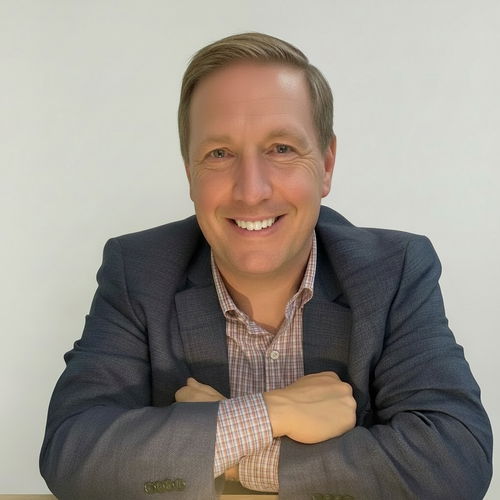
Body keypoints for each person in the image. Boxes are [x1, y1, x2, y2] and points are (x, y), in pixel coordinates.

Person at [40, 32, 492, 499]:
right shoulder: (139, 270)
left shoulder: (393, 271)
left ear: (327, 165)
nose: (251, 190)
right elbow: (73, 455)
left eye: (281, 149)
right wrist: (274, 412)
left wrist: (237, 455)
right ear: (189, 172)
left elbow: (454, 463)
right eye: (219, 153)